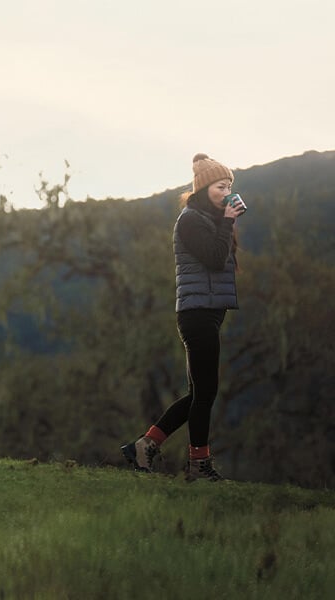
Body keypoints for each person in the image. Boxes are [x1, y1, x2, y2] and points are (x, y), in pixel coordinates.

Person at [122, 153, 245, 482]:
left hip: (207, 314)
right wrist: (229, 219)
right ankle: (198, 467)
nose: (228, 191)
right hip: (197, 315)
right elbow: (216, 260)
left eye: (230, 185)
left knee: (198, 394)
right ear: (205, 188)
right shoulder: (190, 219)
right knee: (205, 394)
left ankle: (146, 446)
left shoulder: (208, 219)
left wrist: (225, 220)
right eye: (222, 186)